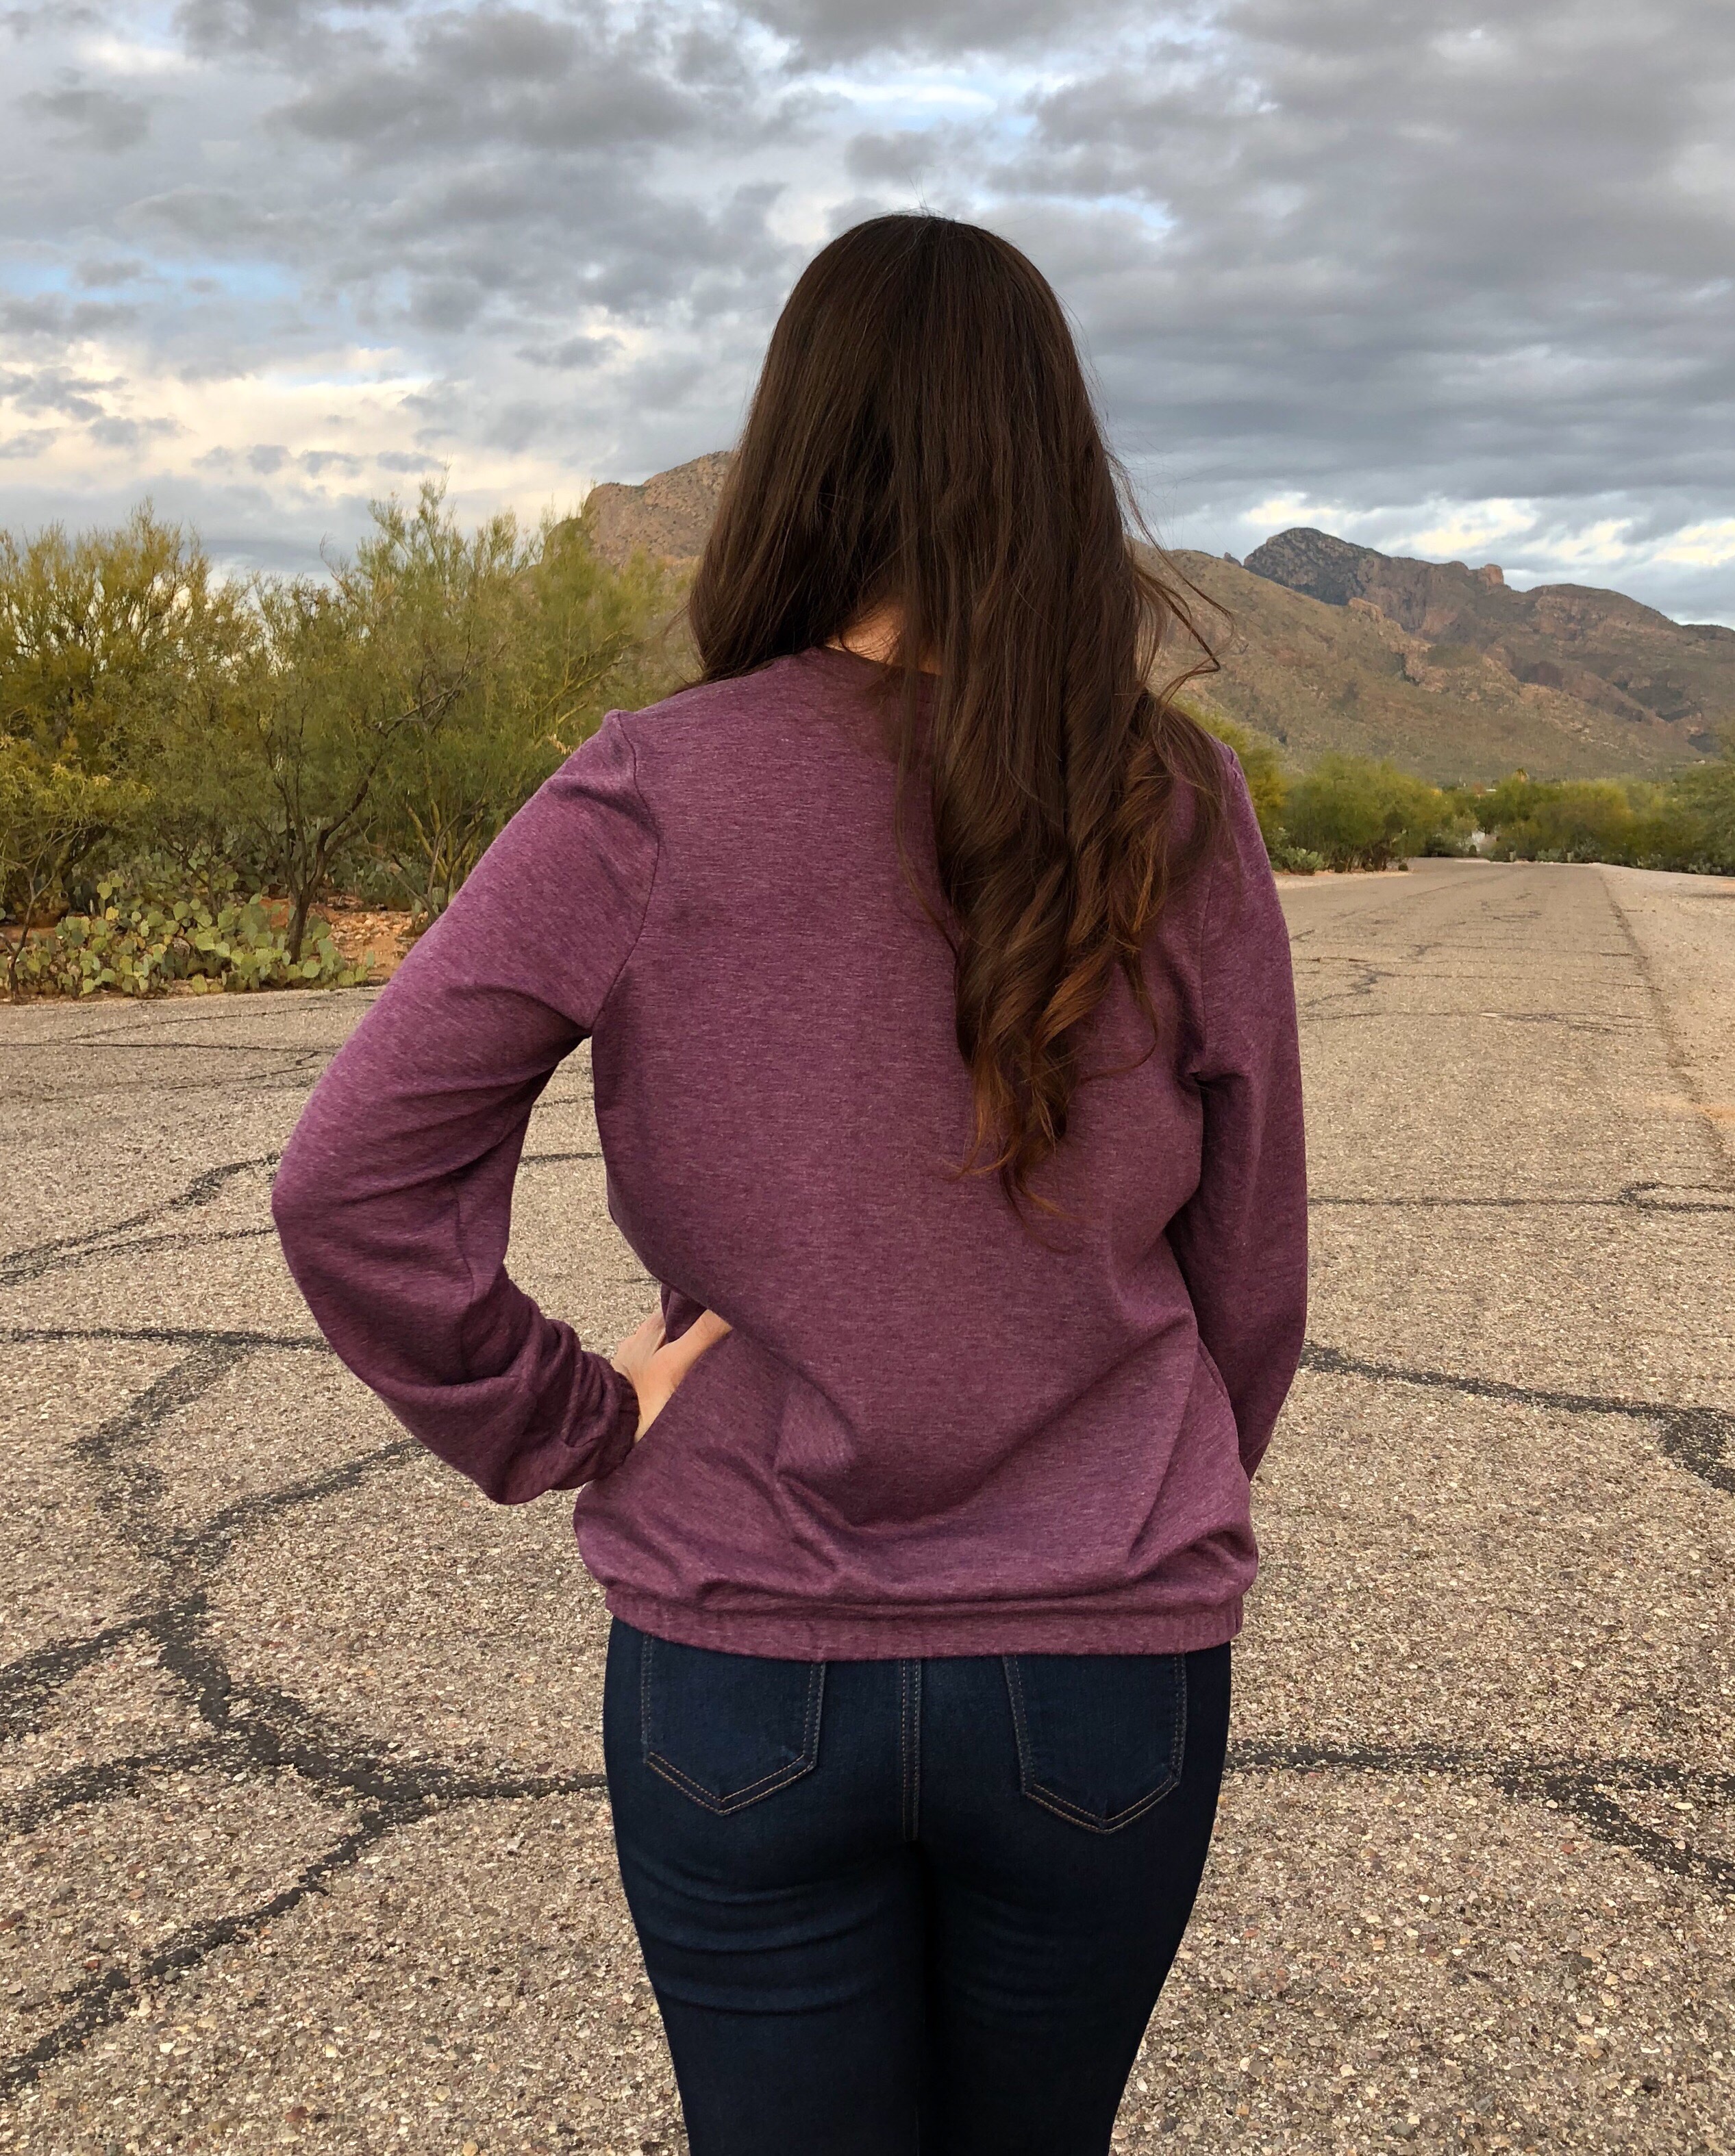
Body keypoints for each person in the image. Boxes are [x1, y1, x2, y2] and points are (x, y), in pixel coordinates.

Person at [272, 212, 1308, 2156]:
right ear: (1052, 456)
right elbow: (1252, 1264)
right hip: (1104, 1668)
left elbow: (349, 1186)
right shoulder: (1173, 795)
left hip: (740, 1664)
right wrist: (1137, 1488)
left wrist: (566, 1415)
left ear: (803, 452)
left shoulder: (653, 788)